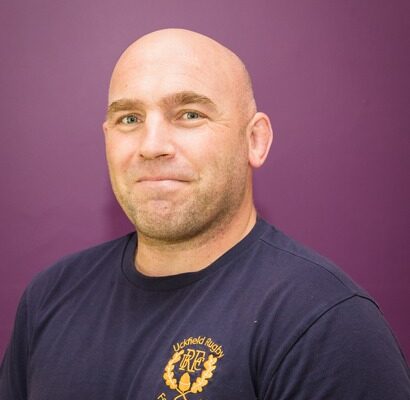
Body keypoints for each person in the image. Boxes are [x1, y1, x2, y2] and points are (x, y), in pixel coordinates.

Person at [0, 28, 409, 400]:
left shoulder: (325, 323)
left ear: (255, 140)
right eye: (130, 119)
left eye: (190, 114)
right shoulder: (50, 297)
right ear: (107, 138)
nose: (152, 146)